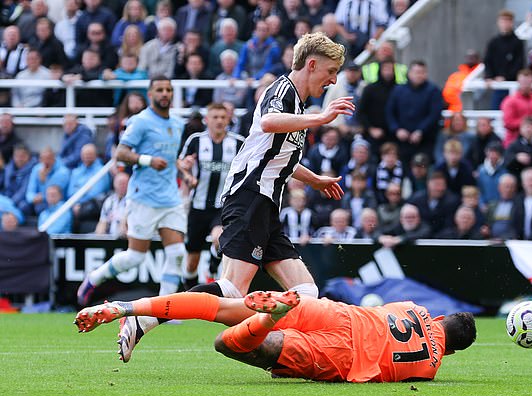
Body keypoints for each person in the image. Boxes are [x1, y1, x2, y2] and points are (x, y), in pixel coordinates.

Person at [110, 33, 353, 363]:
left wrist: (315, 179)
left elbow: (283, 157)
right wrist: (321, 118)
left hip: (266, 206)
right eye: (331, 71)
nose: (333, 79)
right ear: (311, 64)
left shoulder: (297, 106)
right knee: (231, 291)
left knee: (306, 293)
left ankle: (290, 353)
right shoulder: (283, 90)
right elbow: (268, 122)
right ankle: (144, 316)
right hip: (250, 198)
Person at [75, 289, 477, 382]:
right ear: (452, 352)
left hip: (338, 313)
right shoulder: (430, 368)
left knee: (221, 306)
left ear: (440, 316)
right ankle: (270, 320)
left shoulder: (413, 307)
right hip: (343, 354)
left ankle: (127, 308)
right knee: (229, 343)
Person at [77, 76, 187, 307]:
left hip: (170, 197)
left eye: (168, 89)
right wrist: (147, 160)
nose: (165, 93)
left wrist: (184, 171)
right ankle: (93, 279)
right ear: (150, 94)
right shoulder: (140, 121)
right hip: (143, 197)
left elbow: (170, 158)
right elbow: (121, 153)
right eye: (160, 90)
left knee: (177, 252)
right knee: (136, 257)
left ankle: (164, 308)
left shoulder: (177, 124)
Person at [178, 103, 244, 288]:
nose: (219, 121)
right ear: (207, 120)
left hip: (223, 206)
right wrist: (187, 173)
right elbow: (181, 164)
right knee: (192, 260)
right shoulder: (196, 140)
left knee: (219, 238)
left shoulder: (238, 142)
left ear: (228, 120)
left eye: (223, 117)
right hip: (198, 206)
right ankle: (188, 294)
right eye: (215, 117)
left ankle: (213, 267)